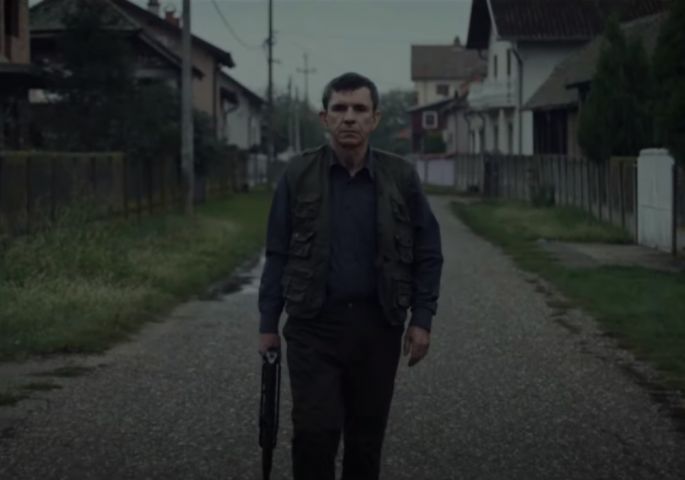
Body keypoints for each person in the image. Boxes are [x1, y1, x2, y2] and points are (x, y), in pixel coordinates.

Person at [258, 72, 443, 480]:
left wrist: (422, 319)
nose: (349, 118)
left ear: (375, 119)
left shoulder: (401, 177)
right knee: (314, 433)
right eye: (339, 108)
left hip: (378, 328)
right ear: (324, 118)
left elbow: (428, 253)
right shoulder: (298, 174)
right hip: (313, 327)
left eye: (360, 109)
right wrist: (268, 324)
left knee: (365, 441)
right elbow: (277, 253)